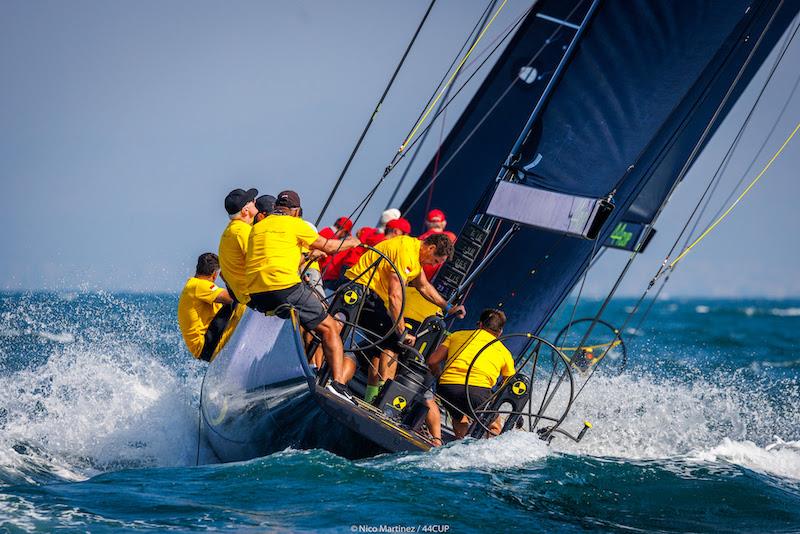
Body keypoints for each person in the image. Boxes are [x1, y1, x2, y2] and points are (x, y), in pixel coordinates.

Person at [244, 190, 361, 401]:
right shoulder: (296, 224)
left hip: (257, 295)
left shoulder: (258, 226)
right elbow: (330, 247)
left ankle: (305, 367)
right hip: (283, 288)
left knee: (305, 320)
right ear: (296, 211)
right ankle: (337, 385)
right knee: (330, 327)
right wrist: (353, 243)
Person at [343, 233, 465, 403]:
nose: (433, 265)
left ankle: (372, 399)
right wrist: (401, 330)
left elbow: (424, 286)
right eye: (436, 261)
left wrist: (448, 307)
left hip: (372, 297)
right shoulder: (406, 252)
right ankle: (381, 401)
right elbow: (395, 295)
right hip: (363, 291)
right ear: (431, 249)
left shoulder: (414, 254)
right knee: (394, 342)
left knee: (378, 353)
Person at [427, 308, 516, 439]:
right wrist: (494, 401)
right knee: (494, 426)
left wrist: (439, 376)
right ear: (500, 332)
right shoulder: (504, 352)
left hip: (447, 388)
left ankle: (459, 444)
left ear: (479, 324)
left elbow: (433, 361)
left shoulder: (456, 335)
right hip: (477, 393)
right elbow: (509, 382)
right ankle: (484, 454)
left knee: (458, 417)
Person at [177, 253, 234, 361]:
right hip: (205, 346)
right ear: (214, 274)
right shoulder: (199, 285)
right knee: (238, 300)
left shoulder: (193, 285)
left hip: (204, 347)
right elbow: (232, 298)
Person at [218, 188, 258, 303]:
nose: (255, 201)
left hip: (241, 295)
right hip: (253, 294)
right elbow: (258, 260)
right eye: (251, 200)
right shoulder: (243, 231)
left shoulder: (230, 230)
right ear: (245, 210)